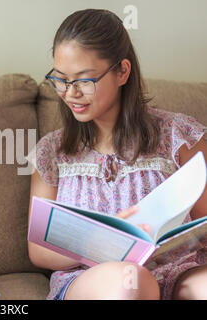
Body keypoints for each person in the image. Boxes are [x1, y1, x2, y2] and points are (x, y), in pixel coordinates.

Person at [27, 9, 207, 300]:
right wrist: (104, 241)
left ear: (122, 71)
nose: (70, 92)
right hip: (93, 278)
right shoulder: (53, 152)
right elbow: (38, 250)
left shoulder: (179, 135)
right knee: (130, 281)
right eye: (60, 79)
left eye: (84, 80)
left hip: (178, 271)